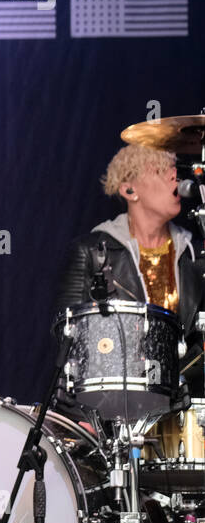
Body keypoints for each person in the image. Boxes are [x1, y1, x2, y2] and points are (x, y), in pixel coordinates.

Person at [53, 143, 204, 394]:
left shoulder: (196, 256)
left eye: (174, 169)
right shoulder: (92, 251)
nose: (173, 176)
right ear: (129, 189)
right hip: (115, 408)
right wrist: (83, 416)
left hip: (184, 403)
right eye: (159, 170)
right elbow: (69, 343)